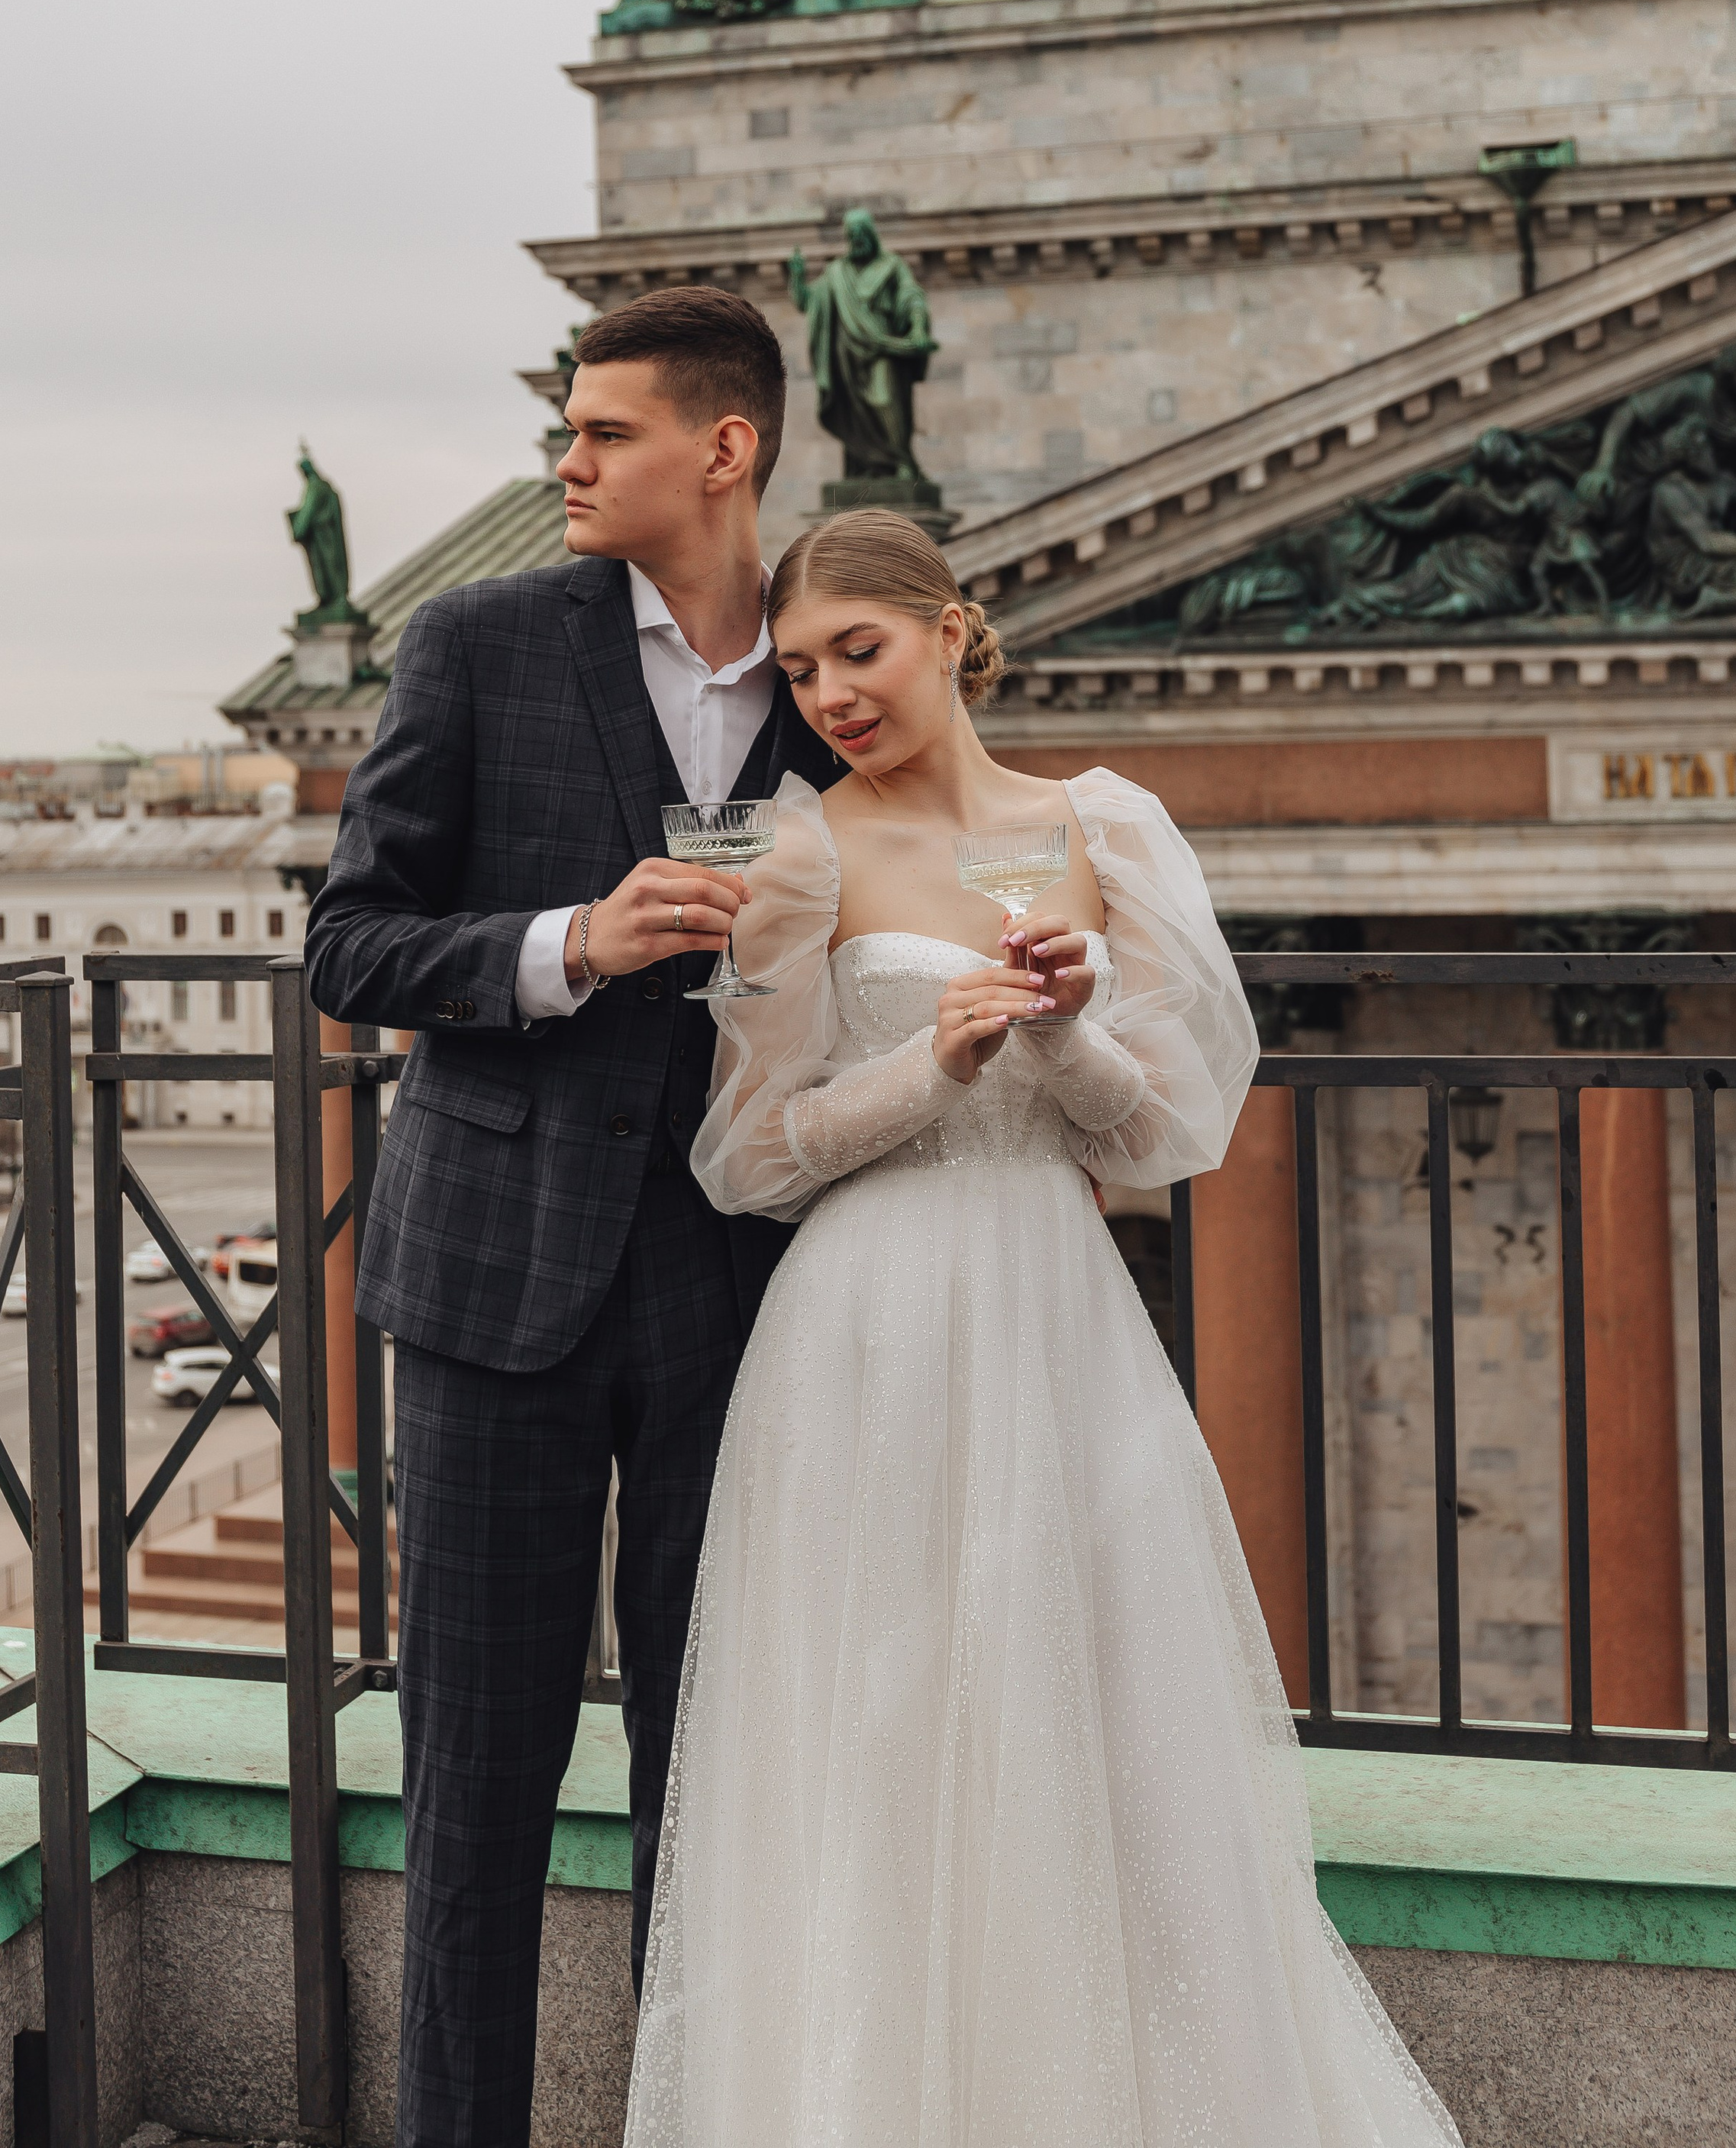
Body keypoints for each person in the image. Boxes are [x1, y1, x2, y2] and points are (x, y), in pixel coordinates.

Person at [624, 508, 1464, 2148]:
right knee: (877, 1730)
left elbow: (1153, 1133)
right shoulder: (796, 848)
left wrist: (1066, 1030)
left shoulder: (1103, 825)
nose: (831, 696)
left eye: (855, 652)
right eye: (798, 672)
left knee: (1102, 1714)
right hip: (865, 1325)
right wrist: (921, 1067)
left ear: (950, 627)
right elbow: (745, 1155)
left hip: (1056, 1313)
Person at [304, 289, 842, 2148]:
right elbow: (347, 943)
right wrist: (567, 947)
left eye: (600, 433)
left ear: (726, 448)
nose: (565, 462)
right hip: (488, 1290)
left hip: (747, 1285)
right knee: (475, 1796)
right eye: (563, 429)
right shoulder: (473, 643)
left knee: (714, 1790)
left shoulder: (834, 677)